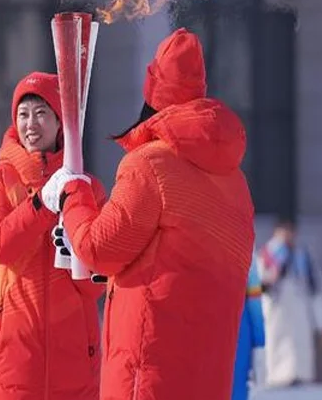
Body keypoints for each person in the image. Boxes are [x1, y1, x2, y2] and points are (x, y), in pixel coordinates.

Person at [41, 28, 256, 399]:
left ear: (152, 91)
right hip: (208, 376)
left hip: (149, 371)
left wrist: (72, 193)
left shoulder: (148, 165)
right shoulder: (236, 182)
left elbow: (99, 247)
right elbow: (172, 262)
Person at [0, 71, 106, 400]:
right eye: (23, 115)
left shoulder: (87, 188)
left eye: (41, 113)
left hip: (74, 355)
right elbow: (0, 245)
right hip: (14, 354)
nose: (31, 124)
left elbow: (96, 287)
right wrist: (42, 203)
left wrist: (82, 255)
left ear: (61, 121)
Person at [258, 218, 322, 387]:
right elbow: (261, 285)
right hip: (275, 310)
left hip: (299, 309)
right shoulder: (267, 255)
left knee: (299, 346)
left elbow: (315, 290)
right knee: (274, 344)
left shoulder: (302, 256)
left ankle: (298, 375)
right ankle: (274, 375)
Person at [232, 252, 266, 400]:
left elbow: (254, 295)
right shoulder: (244, 240)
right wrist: (259, 343)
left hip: (237, 325)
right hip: (237, 324)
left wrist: (259, 342)